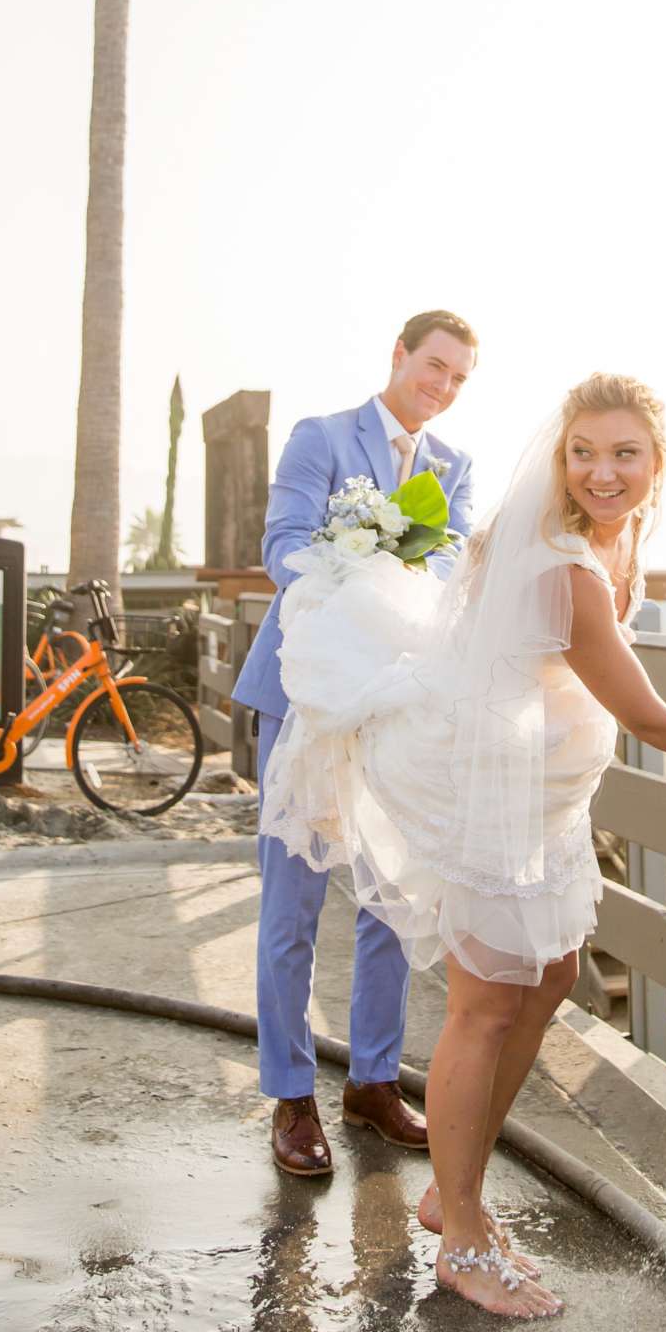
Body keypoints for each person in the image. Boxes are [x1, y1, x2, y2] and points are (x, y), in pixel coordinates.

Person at [261, 372, 666, 1322]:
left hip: (546, 794)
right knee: (486, 1001)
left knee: (551, 974)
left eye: (623, 453)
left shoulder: (616, 545)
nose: (600, 472)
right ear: (560, 456)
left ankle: (449, 1191)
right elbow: (648, 715)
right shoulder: (567, 569)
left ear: (657, 463)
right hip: (487, 785)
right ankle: (460, 1230)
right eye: (584, 452)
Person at [236, 310, 478, 1179]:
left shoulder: (455, 469)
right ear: (400, 356)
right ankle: (291, 1096)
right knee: (291, 900)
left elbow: (453, 567)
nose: (442, 387)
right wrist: (363, 579)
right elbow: (283, 547)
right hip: (305, 690)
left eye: (458, 378)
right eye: (434, 366)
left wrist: (404, 606)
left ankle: (373, 1082)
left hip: (397, 701)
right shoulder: (322, 436)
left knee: (389, 896)